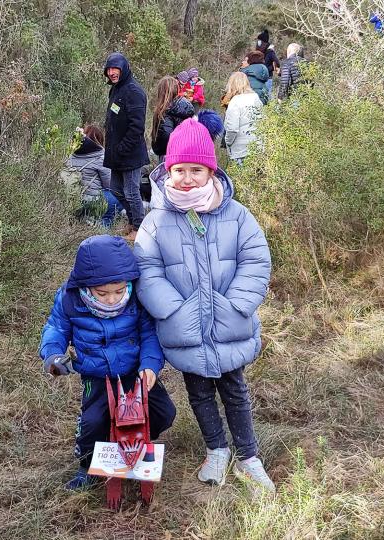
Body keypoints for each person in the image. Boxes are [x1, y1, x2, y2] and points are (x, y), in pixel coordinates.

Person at [133, 118, 275, 494]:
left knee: (234, 390)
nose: (187, 178)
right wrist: (177, 311)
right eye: (179, 170)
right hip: (186, 330)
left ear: (211, 171)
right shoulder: (156, 222)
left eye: (196, 170)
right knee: (198, 392)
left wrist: (236, 304)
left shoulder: (236, 215)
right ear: (167, 171)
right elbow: (147, 270)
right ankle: (216, 449)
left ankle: (248, 457)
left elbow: (256, 259)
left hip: (229, 325)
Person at [40, 234, 177, 491]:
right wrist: (52, 355)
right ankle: (88, 466)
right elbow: (56, 328)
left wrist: (149, 365)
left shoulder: (136, 298)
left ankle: (131, 443)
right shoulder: (70, 299)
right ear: (85, 286)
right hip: (97, 375)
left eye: (118, 291)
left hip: (134, 373)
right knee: (92, 423)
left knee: (164, 413)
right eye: (102, 294)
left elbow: (149, 333)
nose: (112, 299)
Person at [103, 52, 150, 242]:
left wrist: (122, 149)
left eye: (116, 69)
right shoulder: (115, 89)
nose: (112, 73)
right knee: (115, 189)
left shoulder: (134, 91)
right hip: (116, 154)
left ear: (124, 69)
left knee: (131, 192)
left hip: (130, 154)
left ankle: (140, 228)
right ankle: (134, 221)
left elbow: (137, 127)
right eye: (109, 69)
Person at [67, 124, 123, 228]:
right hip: (92, 201)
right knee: (119, 197)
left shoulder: (71, 153)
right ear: (100, 139)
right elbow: (108, 184)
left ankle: (82, 221)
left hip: (72, 198)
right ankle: (103, 226)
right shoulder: (100, 156)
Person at [221, 72, 263, 164]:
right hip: (257, 147)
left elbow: (232, 129)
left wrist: (228, 142)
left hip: (240, 150)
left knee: (239, 177)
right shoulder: (256, 98)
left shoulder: (235, 102)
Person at [150, 76, 195, 161]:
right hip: (185, 152)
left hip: (168, 154)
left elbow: (166, 135)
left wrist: (159, 149)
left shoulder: (165, 110)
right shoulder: (187, 107)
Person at [256, 29, 279, 98]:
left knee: (267, 96)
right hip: (258, 78)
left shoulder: (270, 52)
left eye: (260, 40)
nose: (258, 42)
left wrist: (270, 68)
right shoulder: (257, 52)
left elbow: (277, 63)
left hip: (268, 78)